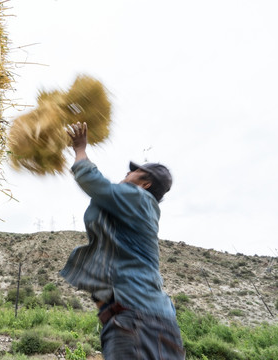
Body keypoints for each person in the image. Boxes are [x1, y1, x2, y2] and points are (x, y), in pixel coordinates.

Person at [60, 122, 185, 359]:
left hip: (137, 322)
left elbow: (94, 183)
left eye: (135, 171)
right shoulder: (138, 209)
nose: (127, 173)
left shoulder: (139, 198)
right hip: (156, 323)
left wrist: (79, 149)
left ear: (145, 183)